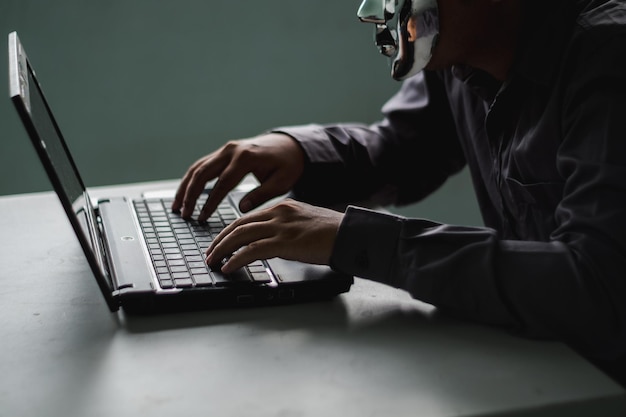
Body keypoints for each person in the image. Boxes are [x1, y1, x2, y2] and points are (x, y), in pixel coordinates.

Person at [172, 0, 626, 385]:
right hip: (552, 368)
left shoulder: (609, 55)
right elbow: (404, 149)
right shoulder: (465, 56)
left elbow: (595, 287)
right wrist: (298, 151)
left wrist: (354, 238)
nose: (377, 10)